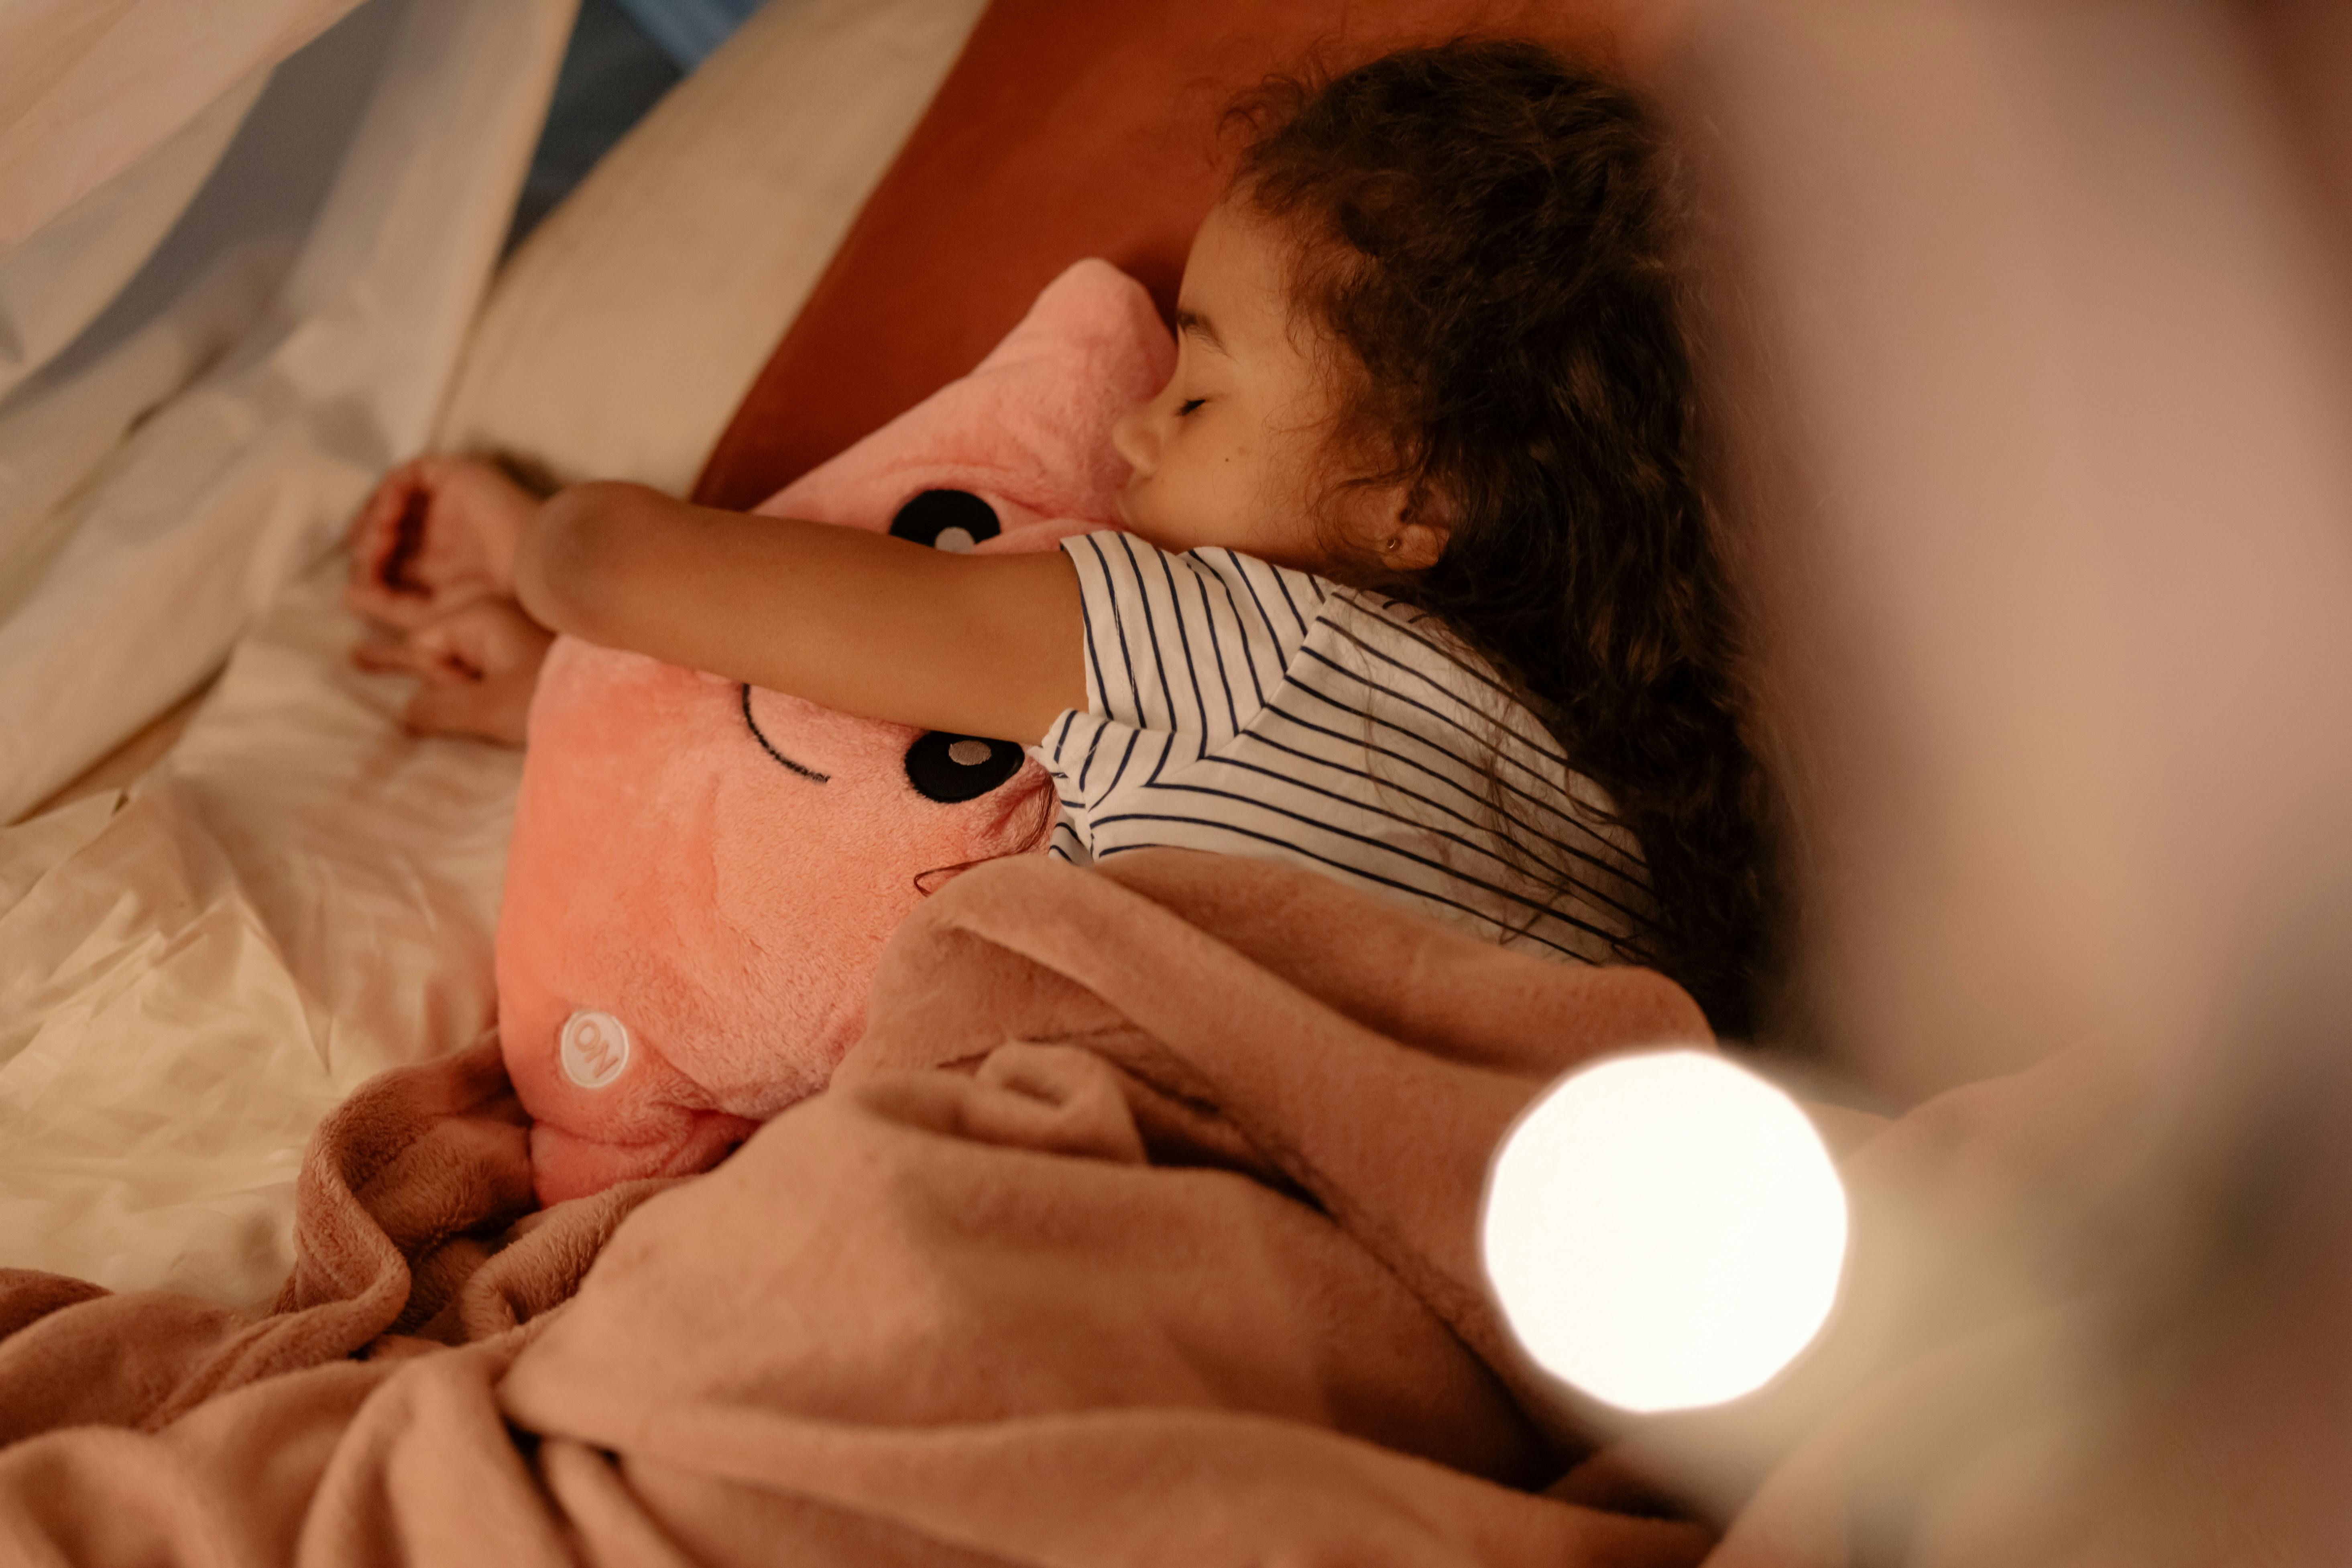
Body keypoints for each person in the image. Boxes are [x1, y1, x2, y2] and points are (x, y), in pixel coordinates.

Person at [347, 40, 1774, 1034]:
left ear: (1420, 500)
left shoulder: (1229, 642)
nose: (1131, 433)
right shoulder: (1630, 860)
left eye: (1200, 390)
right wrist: (554, 691)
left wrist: (538, 539)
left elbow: (634, 573)